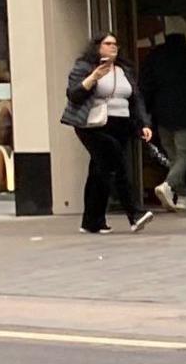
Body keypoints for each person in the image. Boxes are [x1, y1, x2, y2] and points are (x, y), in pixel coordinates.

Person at [64, 31, 149, 234]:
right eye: (107, 43)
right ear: (97, 47)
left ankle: (92, 221)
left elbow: (135, 99)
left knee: (100, 171)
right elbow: (74, 95)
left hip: (120, 124)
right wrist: (94, 77)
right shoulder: (84, 67)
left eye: (115, 44)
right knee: (118, 164)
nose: (113, 47)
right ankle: (135, 213)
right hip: (92, 125)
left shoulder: (123, 70)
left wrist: (144, 123)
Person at [143, 18, 186, 211]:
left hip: (162, 115)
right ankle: (169, 185)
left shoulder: (155, 56)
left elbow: (146, 86)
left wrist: (146, 114)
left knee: (173, 156)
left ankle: (183, 196)